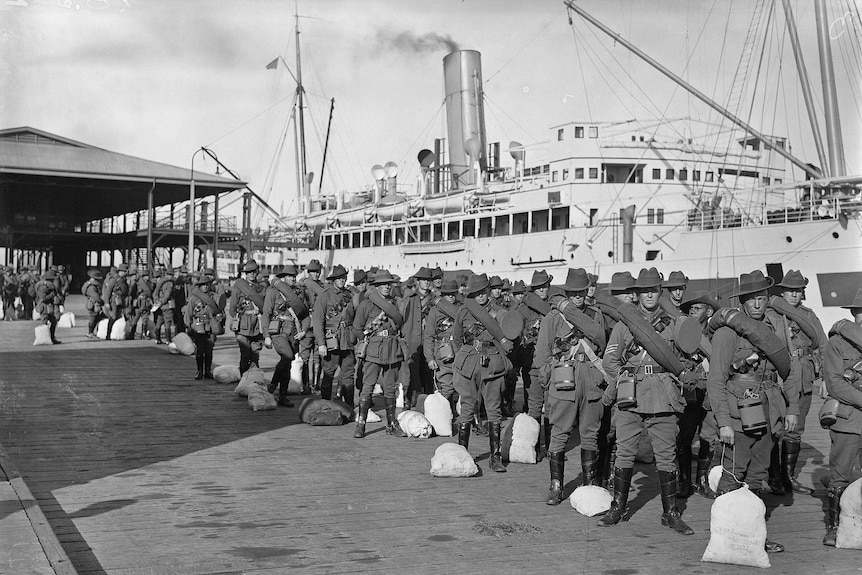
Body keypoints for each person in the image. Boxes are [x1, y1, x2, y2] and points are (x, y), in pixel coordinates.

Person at [708, 270, 801, 553]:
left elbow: (789, 370)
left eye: (761, 298)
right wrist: (723, 421)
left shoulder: (773, 330)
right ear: (743, 302)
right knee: (733, 474)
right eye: (752, 299)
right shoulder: (727, 333)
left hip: (769, 412)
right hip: (738, 415)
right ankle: (725, 537)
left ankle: (753, 536)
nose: (757, 305)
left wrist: (793, 407)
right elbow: (716, 380)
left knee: (757, 475)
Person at [600, 267, 694, 535]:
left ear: (659, 292)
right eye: (645, 291)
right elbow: (610, 360)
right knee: (625, 450)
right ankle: (618, 506)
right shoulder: (624, 324)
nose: (650, 295)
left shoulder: (674, 323)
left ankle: (670, 512)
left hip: (663, 395)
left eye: (654, 290)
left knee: (666, 455)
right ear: (637, 294)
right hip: (631, 395)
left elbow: (684, 359)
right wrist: (625, 379)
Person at [537, 268, 607, 504]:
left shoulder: (596, 316)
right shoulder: (554, 318)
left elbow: (604, 348)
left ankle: (589, 485)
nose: (578, 296)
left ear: (587, 291)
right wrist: (549, 380)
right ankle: (556, 487)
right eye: (573, 293)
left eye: (581, 292)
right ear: (567, 293)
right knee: (559, 434)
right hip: (564, 379)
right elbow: (542, 354)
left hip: (591, 378)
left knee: (590, 434)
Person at [767, 270, 825, 496]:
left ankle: (788, 476)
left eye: (798, 290)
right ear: (782, 291)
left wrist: (825, 379)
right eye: (790, 290)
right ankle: (774, 476)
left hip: (804, 375)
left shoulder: (808, 316)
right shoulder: (771, 315)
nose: (793, 294)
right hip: (778, 376)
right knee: (774, 427)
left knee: (796, 428)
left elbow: (822, 345)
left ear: (803, 293)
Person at [452, 273, 515, 473]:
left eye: (483, 292)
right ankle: (463, 453)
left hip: (493, 363)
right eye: (476, 293)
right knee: (468, 407)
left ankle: (495, 458)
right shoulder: (463, 312)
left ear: (489, 291)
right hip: (470, 363)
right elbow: (456, 339)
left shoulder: (499, 312)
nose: (480, 296)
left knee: (494, 409)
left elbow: (511, 335)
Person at [821, 288, 862, 546]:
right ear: (855, 313)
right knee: (841, 475)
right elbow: (835, 384)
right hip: (848, 419)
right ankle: (834, 527)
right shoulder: (837, 344)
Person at [353, 270, 408, 438]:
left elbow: (400, 325)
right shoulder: (366, 305)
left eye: (388, 284)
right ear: (376, 286)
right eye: (382, 284)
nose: (386, 286)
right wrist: (367, 338)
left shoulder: (395, 304)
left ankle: (391, 424)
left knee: (390, 388)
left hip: (391, 349)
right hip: (374, 350)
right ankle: (361, 424)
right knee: (368, 386)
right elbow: (357, 328)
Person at [677, 290, 720, 498]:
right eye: (690, 309)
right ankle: (684, 482)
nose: (693, 312)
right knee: (684, 435)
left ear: (709, 311)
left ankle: (702, 481)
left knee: (708, 435)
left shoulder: (716, 334)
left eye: (697, 308)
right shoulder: (682, 333)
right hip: (690, 390)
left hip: (710, 389)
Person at [515, 270, 554, 460]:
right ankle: (537, 446)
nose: (542, 290)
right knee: (535, 406)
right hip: (532, 363)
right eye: (539, 287)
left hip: (552, 364)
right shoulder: (523, 310)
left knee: (553, 406)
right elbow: (515, 334)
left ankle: (552, 447)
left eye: (545, 286)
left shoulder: (554, 306)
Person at [313, 264, 357, 403]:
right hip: (331, 340)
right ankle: (325, 404)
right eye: (339, 278)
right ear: (333, 279)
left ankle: (349, 406)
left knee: (348, 374)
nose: (342, 280)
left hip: (347, 340)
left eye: (344, 277)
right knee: (329, 372)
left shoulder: (350, 295)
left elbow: (356, 318)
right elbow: (318, 321)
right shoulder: (324, 296)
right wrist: (321, 344)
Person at [423, 278, 462, 417]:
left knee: (465, 386)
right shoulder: (435, 311)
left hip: (461, 351)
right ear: (442, 295)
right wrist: (429, 358)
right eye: (447, 294)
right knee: (446, 386)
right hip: (443, 352)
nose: (450, 296)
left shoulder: (461, 309)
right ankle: (445, 416)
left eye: (453, 293)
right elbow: (428, 336)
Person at [401, 266, 436, 410]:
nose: (426, 283)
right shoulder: (410, 298)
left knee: (428, 374)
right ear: (418, 281)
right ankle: (408, 403)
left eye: (428, 280)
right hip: (413, 341)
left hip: (428, 341)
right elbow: (402, 317)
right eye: (424, 280)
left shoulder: (434, 299)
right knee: (411, 374)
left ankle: (427, 405)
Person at [229, 259, 266, 374]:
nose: (252, 274)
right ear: (246, 273)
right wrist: (241, 314)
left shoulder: (261, 288)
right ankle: (243, 380)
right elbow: (232, 309)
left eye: (254, 271)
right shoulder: (239, 287)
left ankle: (254, 380)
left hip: (257, 325)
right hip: (243, 326)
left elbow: (265, 306)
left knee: (255, 355)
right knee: (245, 355)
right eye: (249, 272)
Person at [185, 275, 223, 379]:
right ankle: (199, 371)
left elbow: (220, 312)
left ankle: (207, 371)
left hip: (210, 326)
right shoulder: (194, 298)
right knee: (200, 350)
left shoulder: (214, 297)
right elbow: (188, 313)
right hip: (198, 327)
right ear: (199, 286)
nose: (205, 287)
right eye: (203, 285)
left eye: (207, 284)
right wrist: (189, 326)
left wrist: (219, 321)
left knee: (209, 350)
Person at [300, 259, 325, 393]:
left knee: (318, 356)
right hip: (307, 324)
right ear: (308, 272)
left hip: (319, 325)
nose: (315, 274)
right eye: (313, 272)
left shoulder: (323, 286)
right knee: (304, 356)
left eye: (317, 272)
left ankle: (316, 385)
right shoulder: (303, 286)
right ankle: (305, 386)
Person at [103, 263, 130, 339]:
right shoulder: (114, 280)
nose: (125, 273)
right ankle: (108, 335)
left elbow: (126, 291)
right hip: (114, 301)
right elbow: (107, 291)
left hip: (121, 300)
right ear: (120, 271)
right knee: (113, 316)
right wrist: (107, 302)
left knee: (119, 316)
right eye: (124, 271)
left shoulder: (124, 281)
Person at [34, 269, 62, 344]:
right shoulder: (44, 286)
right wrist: (52, 295)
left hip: (49, 306)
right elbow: (43, 298)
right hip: (44, 306)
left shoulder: (47, 285)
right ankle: (44, 338)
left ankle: (51, 337)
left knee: (53, 321)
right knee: (45, 322)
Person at [152, 266, 176, 345]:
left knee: (159, 321)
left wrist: (157, 302)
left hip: (158, 306)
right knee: (167, 322)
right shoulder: (169, 283)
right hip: (166, 305)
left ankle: (157, 338)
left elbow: (155, 293)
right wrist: (162, 302)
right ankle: (168, 339)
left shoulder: (160, 282)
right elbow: (167, 295)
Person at [82, 269, 105, 338]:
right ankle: (90, 332)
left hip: (91, 303)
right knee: (93, 318)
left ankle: (92, 332)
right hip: (93, 304)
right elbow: (96, 296)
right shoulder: (92, 287)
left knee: (96, 317)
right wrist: (101, 301)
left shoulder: (88, 284)